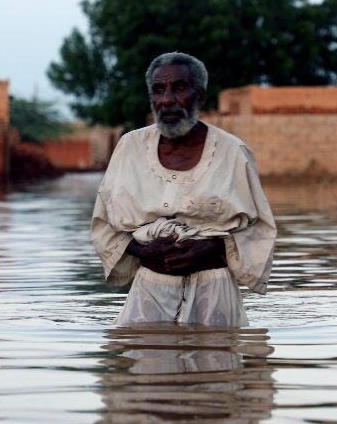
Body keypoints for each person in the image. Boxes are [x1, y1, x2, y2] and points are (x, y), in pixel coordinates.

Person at [90, 52, 276, 326]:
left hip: (215, 295)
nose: (166, 100)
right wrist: (143, 252)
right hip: (149, 292)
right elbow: (103, 224)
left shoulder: (233, 152)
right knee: (145, 362)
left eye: (179, 88)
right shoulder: (129, 147)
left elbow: (260, 229)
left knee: (219, 366)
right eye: (158, 90)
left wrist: (214, 247)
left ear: (199, 97)